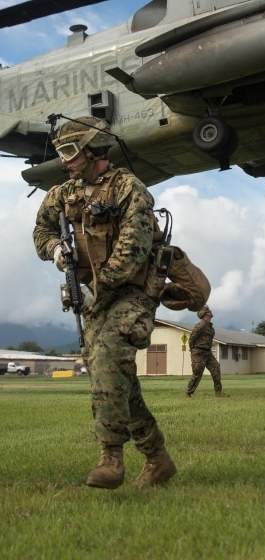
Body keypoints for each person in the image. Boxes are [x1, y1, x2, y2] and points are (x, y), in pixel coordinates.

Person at [33, 116, 176, 490]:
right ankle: (157, 458)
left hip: (131, 292)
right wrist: (57, 251)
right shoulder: (63, 194)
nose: (64, 160)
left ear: (93, 149)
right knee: (113, 376)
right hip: (94, 297)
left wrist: (98, 287)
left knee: (109, 357)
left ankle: (111, 457)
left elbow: (133, 250)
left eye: (70, 151)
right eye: (61, 152)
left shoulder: (130, 189)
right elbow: (41, 231)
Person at [186, 305, 223, 397]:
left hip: (207, 352)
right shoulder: (200, 325)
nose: (211, 315)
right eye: (208, 314)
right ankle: (189, 393)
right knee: (197, 373)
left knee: (216, 369)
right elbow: (192, 339)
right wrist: (193, 351)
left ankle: (218, 393)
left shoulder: (210, 327)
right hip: (198, 352)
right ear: (204, 315)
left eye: (210, 314)